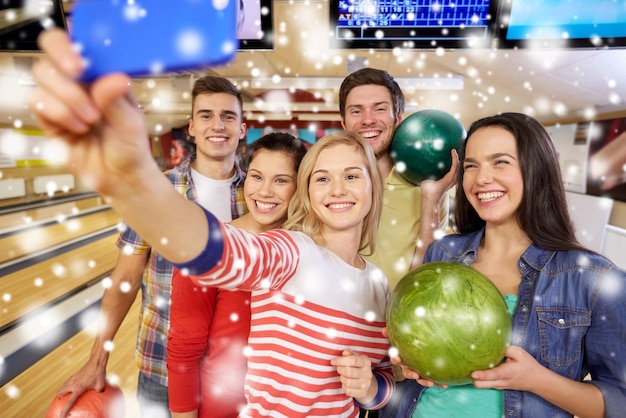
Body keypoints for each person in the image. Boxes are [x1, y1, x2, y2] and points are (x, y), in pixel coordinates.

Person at [31, 29, 394, 416]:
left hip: (230, 381)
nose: (336, 188)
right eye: (322, 177)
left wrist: (372, 387)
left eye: (352, 176)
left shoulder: (375, 282)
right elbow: (221, 252)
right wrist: (139, 181)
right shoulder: (289, 252)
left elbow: (380, 380)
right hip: (168, 364)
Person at [381, 113, 626, 418]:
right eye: (471, 166)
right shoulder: (442, 254)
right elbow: (409, 351)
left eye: (500, 162)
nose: (481, 178)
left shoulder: (593, 279)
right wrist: (412, 361)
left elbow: (619, 401)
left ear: (535, 169)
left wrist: (537, 381)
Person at [51, 71, 248, 417]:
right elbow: (125, 279)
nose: (218, 125)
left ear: (242, 129)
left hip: (237, 371)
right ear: (191, 127)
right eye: (206, 115)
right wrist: (98, 360)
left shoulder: (261, 195)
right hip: (161, 367)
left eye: (228, 116)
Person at [167, 132, 307, 418]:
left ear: (300, 187)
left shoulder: (310, 254)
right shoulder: (210, 246)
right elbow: (183, 352)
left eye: (281, 180)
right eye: (256, 177)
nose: (265, 191)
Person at [338, 67, 458, 290]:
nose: (368, 120)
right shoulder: (328, 187)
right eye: (356, 111)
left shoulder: (426, 188)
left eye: (380, 109)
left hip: (397, 318)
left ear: (398, 119)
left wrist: (431, 200)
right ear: (344, 123)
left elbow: (430, 275)